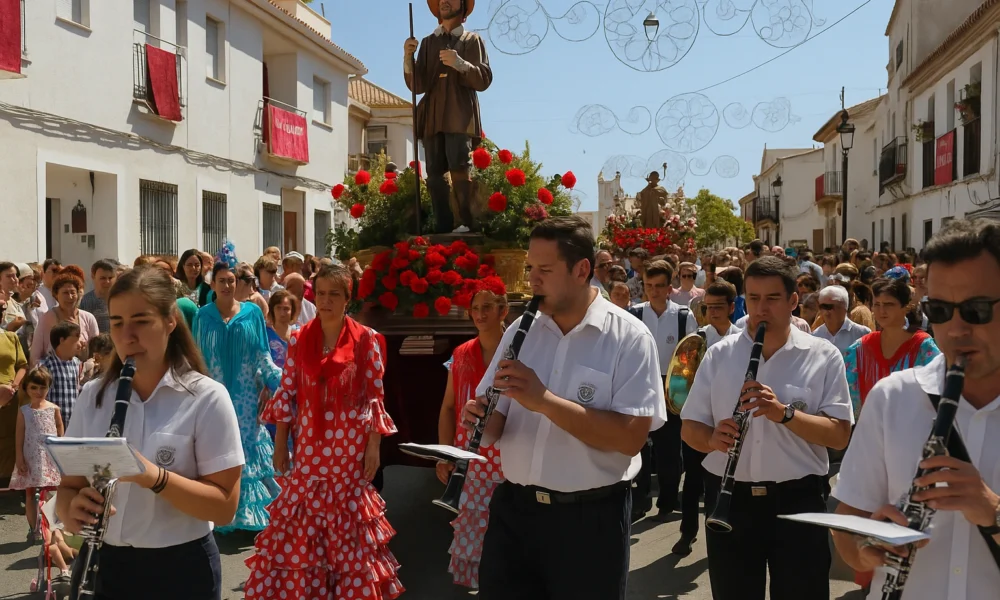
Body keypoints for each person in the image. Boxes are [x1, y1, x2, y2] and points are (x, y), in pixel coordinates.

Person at [463, 216, 663, 599]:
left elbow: (629, 439)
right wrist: (481, 421)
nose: (531, 281)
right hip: (515, 512)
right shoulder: (520, 329)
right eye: (529, 269)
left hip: (589, 520)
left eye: (545, 270)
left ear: (582, 270)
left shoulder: (630, 338)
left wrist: (545, 401)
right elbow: (495, 423)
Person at [832, 218, 1000, 600]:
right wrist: (867, 546)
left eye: (975, 309)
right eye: (939, 310)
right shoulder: (892, 397)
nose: (956, 330)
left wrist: (992, 510)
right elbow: (846, 531)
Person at [56, 265, 244, 600]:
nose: (127, 336)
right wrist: (72, 510)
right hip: (106, 566)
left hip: (181, 570)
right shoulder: (93, 395)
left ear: (171, 320)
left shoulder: (207, 398)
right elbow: (68, 490)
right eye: (117, 323)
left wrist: (150, 475)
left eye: (141, 321)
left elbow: (224, 508)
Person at [680, 256, 854, 600]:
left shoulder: (823, 356)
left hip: (798, 499)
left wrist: (784, 414)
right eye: (754, 298)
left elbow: (839, 434)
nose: (761, 309)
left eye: (773, 299)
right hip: (730, 501)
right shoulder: (720, 355)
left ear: (793, 301)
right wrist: (713, 438)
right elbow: (689, 427)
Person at [245, 264, 402, 599]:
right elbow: (287, 392)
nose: (327, 300)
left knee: (348, 529)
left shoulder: (366, 340)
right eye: (322, 293)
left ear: (348, 298)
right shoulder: (300, 339)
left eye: (335, 294)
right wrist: (281, 444)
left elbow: (375, 395)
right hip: (309, 452)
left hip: (350, 451)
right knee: (304, 527)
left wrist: (374, 445)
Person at [194, 260, 282, 534]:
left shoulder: (252, 313)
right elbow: (196, 358)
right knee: (217, 447)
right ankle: (218, 509)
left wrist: (278, 381)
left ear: (239, 283)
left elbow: (262, 353)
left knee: (246, 447)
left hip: (246, 394)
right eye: (221, 280)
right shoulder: (202, 316)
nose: (227, 285)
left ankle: (247, 515)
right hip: (214, 395)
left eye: (232, 280)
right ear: (212, 285)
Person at [437, 276, 509, 589]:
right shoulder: (462, 353)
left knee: (506, 533)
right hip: (470, 459)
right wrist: (443, 454)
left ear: (503, 310)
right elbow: (449, 408)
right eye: (475, 308)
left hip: (509, 459)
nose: (480, 314)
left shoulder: (519, 353)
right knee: (475, 530)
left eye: (487, 307)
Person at [403, 0, 493, 233]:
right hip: (432, 116)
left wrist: (459, 64)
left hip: (459, 115)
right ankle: (442, 227)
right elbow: (417, 85)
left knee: (460, 168)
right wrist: (407, 58)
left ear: (462, 6)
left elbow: (483, 80)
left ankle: (467, 223)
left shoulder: (472, 40)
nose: (444, 1)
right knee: (434, 175)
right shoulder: (428, 42)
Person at [671, 280, 740, 557]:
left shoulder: (744, 338)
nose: (712, 312)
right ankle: (687, 534)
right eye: (708, 307)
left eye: (718, 307)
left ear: (732, 308)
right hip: (701, 421)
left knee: (727, 482)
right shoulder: (697, 339)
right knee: (693, 480)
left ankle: (721, 534)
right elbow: (681, 381)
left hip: (731, 423)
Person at [628, 260, 698, 521]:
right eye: (649, 286)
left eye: (659, 286)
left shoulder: (682, 316)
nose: (653, 291)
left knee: (669, 449)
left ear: (669, 288)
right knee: (639, 445)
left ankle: (668, 498)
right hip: (641, 384)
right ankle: (641, 498)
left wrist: (682, 392)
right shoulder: (634, 314)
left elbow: (690, 355)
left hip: (673, 386)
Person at [843, 276, 940, 419]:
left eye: (889, 304)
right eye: (877, 305)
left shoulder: (923, 347)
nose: (882, 311)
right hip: (870, 432)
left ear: (905, 308)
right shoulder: (860, 348)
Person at [11, 366, 63, 540]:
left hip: (50, 456)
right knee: (30, 493)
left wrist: (61, 451)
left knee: (51, 492)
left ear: (49, 388)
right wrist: (19, 458)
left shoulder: (54, 408)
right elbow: (19, 435)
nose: (39, 391)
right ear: (26, 388)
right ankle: (34, 529)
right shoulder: (24, 411)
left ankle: (52, 528)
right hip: (30, 456)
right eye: (34, 387)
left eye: (43, 387)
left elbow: (59, 428)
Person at [37, 321, 83, 428]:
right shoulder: (46, 366)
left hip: (73, 426)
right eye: (76, 337)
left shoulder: (78, 364)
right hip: (53, 426)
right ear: (62, 340)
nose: (80, 342)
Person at [812, 285, 870, 352]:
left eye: (829, 307)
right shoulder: (815, 336)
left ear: (844, 307)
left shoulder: (862, 334)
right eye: (822, 307)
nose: (826, 313)